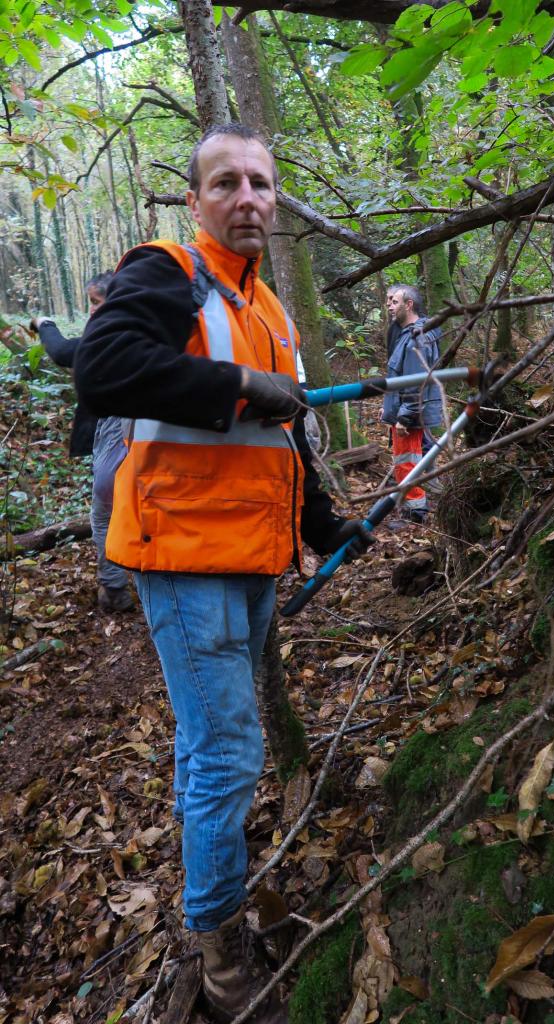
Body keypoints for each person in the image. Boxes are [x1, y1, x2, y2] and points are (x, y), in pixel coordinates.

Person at [74, 123, 372, 1024]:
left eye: (262, 184)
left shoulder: (271, 309)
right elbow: (102, 368)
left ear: (276, 201)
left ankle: (212, 903)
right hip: (182, 559)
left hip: (250, 560)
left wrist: (325, 528)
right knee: (231, 751)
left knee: (211, 749)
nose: (248, 198)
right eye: (227, 183)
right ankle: (221, 957)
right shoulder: (170, 272)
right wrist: (239, 385)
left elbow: (280, 439)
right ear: (196, 198)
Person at [29, 274, 134, 613]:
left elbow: (61, 351)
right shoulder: (137, 331)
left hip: (124, 430)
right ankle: (119, 587)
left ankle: (115, 589)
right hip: (121, 430)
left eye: (96, 302)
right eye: (90, 302)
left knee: (104, 510)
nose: (93, 311)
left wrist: (44, 323)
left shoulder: (117, 334)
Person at [382, 285, 443, 522]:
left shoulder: (418, 338)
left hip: (409, 414)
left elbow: (416, 383)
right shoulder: (405, 333)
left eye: (395, 302)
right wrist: (389, 406)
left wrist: (404, 416)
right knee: (410, 459)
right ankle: (414, 506)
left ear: (409, 305)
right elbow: (399, 378)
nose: (389, 306)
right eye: (389, 301)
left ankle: (415, 512)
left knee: (407, 462)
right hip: (405, 410)